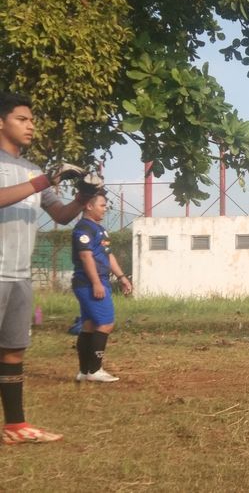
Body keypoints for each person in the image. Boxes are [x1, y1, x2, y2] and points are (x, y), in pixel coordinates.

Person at [0, 91, 98, 444]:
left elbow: (59, 214)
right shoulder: (34, 176)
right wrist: (46, 180)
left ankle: (15, 426)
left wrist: (81, 197)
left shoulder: (33, 171)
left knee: (13, 349)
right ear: (1, 121)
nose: (31, 126)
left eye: (32, 120)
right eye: (22, 119)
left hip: (19, 275)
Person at [72, 192, 132, 382]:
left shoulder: (101, 230)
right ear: (89, 206)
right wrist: (96, 283)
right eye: (102, 205)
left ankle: (84, 372)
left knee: (89, 325)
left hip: (101, 280)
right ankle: (95, 370)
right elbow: (85, 256)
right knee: (106, 323)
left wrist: (122, 277)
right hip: (90, 283)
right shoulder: (83, 228)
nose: (105, 208)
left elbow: (108, 255)